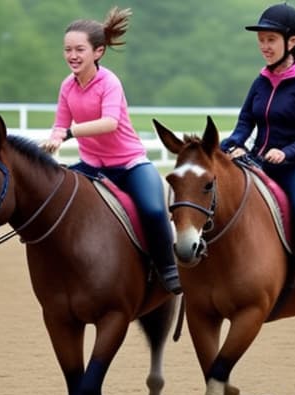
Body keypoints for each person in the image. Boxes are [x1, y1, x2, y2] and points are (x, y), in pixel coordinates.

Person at [40, 7, 181, 294]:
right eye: (67, 49)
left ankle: (168, 269)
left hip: (130, 165)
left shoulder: (110, 82)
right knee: (53, 199)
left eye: (80, 49)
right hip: (91, 166)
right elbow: (60, 124)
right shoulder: (67, 86)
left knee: (154, 211)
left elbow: (109, 123)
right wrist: (53, 138)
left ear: (98, 52)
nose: (72, 55)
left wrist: (67, 134)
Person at [220, 2, 295, 304]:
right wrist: (232, 144)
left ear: (292, 42)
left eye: (270, 40)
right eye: (261, 40)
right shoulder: (261, 80)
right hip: (259, 164)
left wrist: (286, 153)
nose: (264, 46)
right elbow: (245, 122)